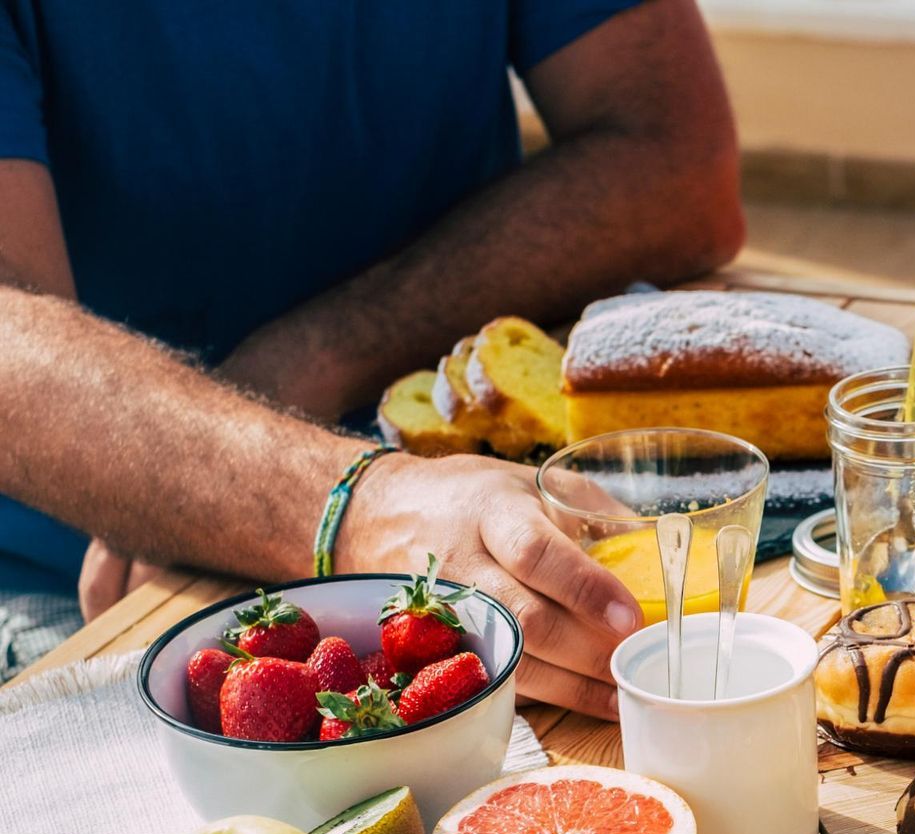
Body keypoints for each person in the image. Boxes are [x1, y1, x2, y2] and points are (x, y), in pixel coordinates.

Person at [0, 0, 745, 716]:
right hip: (92, 578)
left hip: (472, 507)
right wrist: (355, 509)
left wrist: (308, 362)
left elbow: (679, 163)